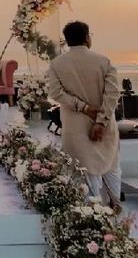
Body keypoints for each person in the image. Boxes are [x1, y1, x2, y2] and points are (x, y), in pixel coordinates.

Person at [47, 21, 121, 207]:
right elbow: (112, 94)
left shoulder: (57, 64)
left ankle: (90, 221)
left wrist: (81, 107)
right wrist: (101, 121)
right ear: (87, 37)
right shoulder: (104, 61)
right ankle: (113, 219)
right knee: (111, 169)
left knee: (83, 176)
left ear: (67, 40)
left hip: (75, 130)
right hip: (104, 130)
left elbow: (55, 93)